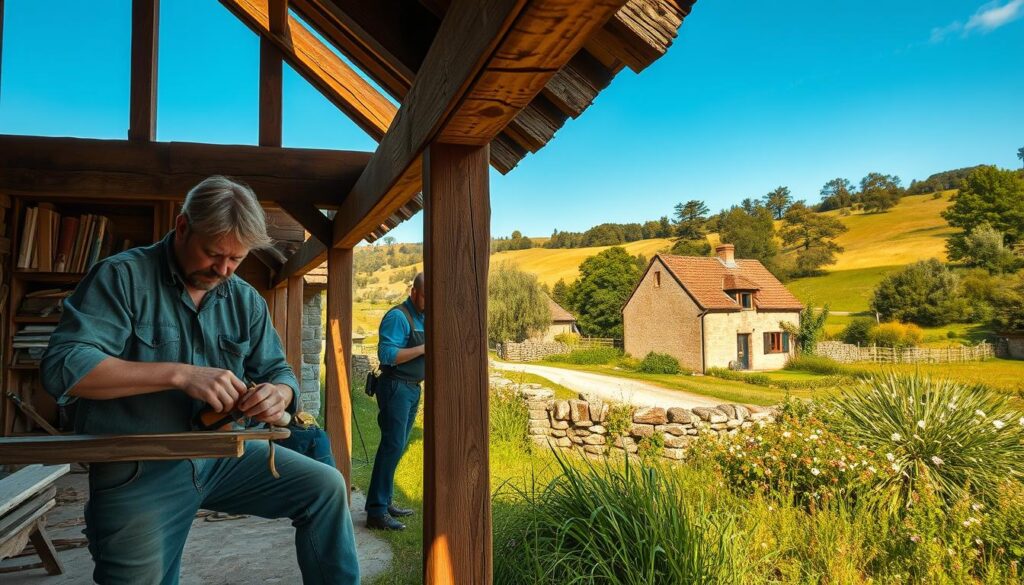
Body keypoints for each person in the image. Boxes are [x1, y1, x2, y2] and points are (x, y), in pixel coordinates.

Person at [41, 176, 359, 585]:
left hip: (224, 456)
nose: (223, 270)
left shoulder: (244, 299)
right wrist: (178, 374)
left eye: (236, 260)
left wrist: (278, 394)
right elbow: (64, 366)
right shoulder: (122, 277)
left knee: (325, 487)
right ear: (183, 227)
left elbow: (279, 372)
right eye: (213, 254)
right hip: (142, 467)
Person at [365, 273, 425, 531]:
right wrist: (425, 348)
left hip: (412, 389)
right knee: (391, 446)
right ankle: (376, 511)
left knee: (397, 447)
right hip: (395, 387)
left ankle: (385, 502)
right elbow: (387, 354)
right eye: (425, 296)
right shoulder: (398, 317)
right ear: (414, 292)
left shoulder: (423, 316)